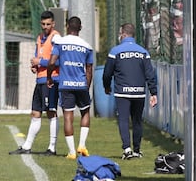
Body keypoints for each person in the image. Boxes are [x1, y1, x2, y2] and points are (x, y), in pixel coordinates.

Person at [102, 23, 158, 160]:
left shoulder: (115, 51)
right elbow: (150, 73)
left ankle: (127, 149)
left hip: (122, 92)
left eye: (120, 33)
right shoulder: (143, 52)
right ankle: (137, 150)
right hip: (139, 92)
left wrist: (107, 86)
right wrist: (153, 92)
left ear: (124, 34)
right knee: (137, 121)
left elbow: (107, 73)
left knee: (123, 120)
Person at [9, 11, 61, 156]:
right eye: (43, 24)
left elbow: (59, 60)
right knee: (35, 112)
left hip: (51, 80)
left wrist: (41, 62)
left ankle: (52, 147)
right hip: (40, 80)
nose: (45, 27)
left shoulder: (56, 37)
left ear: (53, 24)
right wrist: (35, 65)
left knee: (51, 112)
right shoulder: (39, 37)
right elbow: (39, 56)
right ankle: (27, 146)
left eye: (48, 24)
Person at [47, 16, 93, 160]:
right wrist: (86, 86)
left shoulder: (60, 42)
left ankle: (72, 152)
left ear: (67, 26)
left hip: (65, 84)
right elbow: (89, 69)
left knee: (68, 116)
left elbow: (52, 61)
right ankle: (82, 145)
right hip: (81, 84)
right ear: (80, 28)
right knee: (85, 112)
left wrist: (49, 76)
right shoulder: (86, 46)